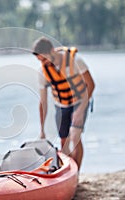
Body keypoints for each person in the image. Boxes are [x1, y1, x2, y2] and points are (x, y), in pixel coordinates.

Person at [32, 37, 95, 171]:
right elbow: (43, 102)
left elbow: (91, 84)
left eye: (44, 58)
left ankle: (76, 173)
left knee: (75, 136)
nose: (43, 63)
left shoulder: (76, 61)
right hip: (61, 105)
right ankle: (69, 172)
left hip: (80, 102)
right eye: (40, 60)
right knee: (64, 143)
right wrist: (42, 130)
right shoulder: (42, 72)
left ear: (52, 51)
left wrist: (80, 110)